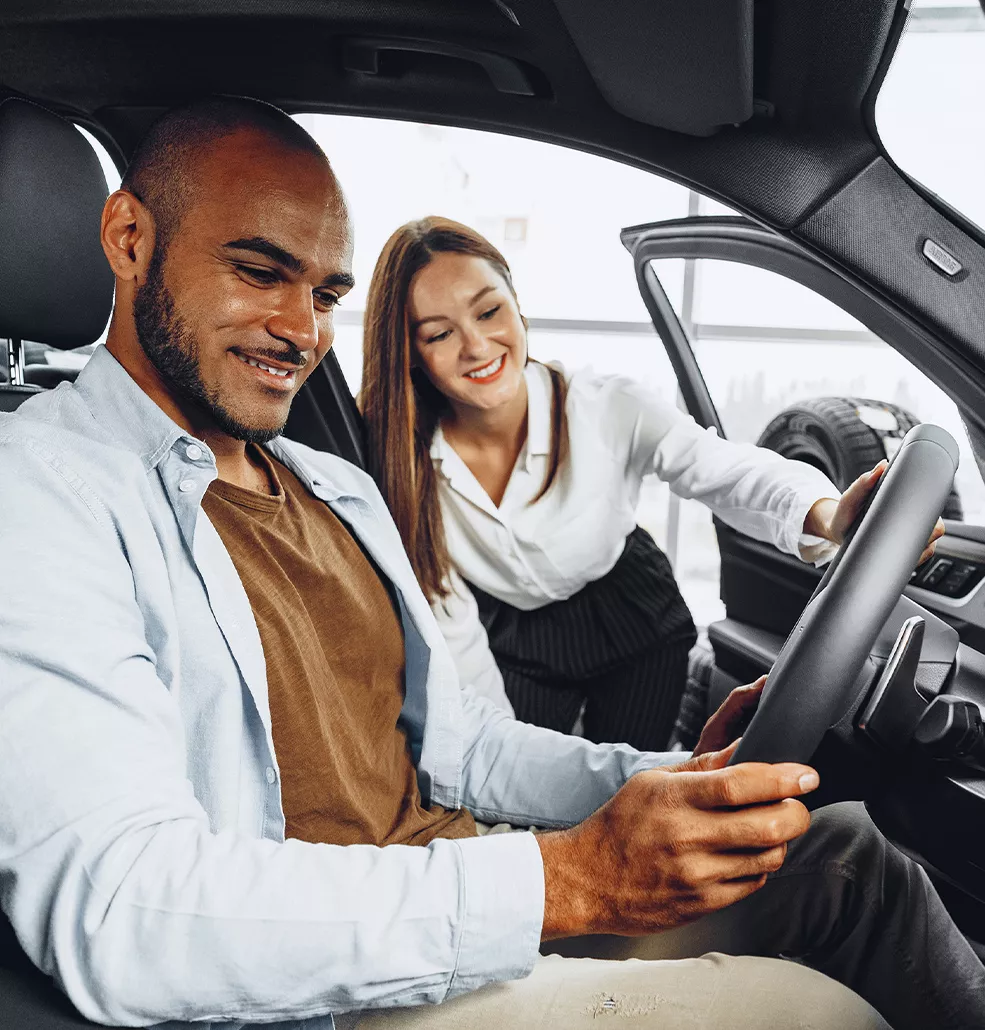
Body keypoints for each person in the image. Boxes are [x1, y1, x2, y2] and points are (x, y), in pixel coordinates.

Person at [0, 95, 979, 1030]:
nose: (302, 331)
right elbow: (120, 905)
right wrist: (568, 878)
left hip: (467, 895)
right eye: (259, 272)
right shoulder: (40, 493)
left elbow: (465, 747)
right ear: (129, 238)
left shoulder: (330, 487)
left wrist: (678, 780)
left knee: (850, 858)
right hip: (320, 990)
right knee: (815, 1016)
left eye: (326, 294)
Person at [359, 218, 943, 750]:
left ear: (518, 305)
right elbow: (455, 642)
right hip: (513, 634)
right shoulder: (403, 466)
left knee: (632, 781)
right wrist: (498, 769)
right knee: (525, 775)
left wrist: (827, 516)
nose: (476, 347)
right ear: (410, 353)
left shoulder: (605, 405)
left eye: (489, 312)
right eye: (439, 334)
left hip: (633, 613)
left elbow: (725, 469)